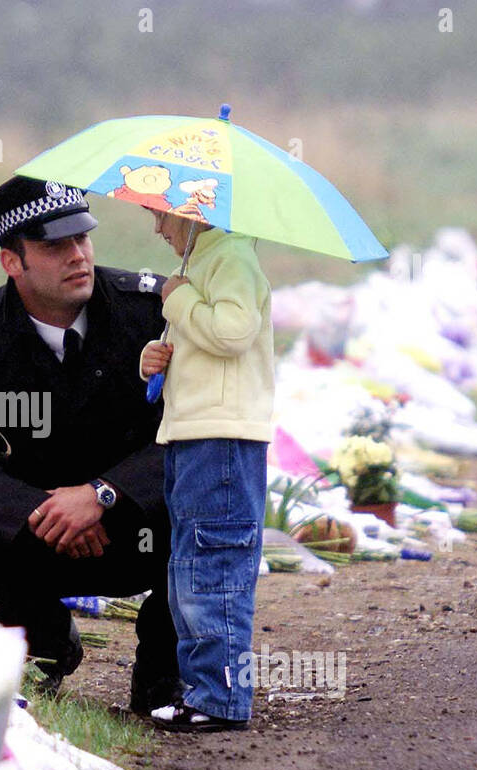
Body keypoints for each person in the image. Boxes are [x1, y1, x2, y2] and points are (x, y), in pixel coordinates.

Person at [0, 175, 181, 710]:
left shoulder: (151, 314)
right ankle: (43, 646)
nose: (78, 256)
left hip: (136, 529)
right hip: (39, 540)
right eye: (55, 246)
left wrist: (103, 495)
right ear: (13, 262)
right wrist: (39, 510)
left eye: (82, 238)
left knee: (218, 510)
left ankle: (166, 671)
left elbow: (193, 436)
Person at [139, 207, 274, 733]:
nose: (157, 229)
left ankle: (220, 697)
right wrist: (153, 357)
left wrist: (178, 297)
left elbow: (234, 332)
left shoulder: (233, 258)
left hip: (221, 439)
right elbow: (203, 344)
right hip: (191, 434)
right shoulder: (204, 264)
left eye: (161, 217)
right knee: (190, 565)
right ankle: (204, 689)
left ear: (191, 214)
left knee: (213, 564)